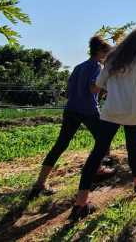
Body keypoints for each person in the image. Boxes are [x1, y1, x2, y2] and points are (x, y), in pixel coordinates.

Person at [71, 28, 136, 220]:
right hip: (133, 112)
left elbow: (100, 83)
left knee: (97, 154)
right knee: (133, 148)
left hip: (111, 110)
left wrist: (117, 86)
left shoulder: (113, 57)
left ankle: (80, 204)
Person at [29, 36, 113, 199]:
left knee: (60, 145)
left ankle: (40, 183)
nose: (107, 56)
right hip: (88, 110)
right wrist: (105, 85)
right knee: (104, 140)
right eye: (106, 52)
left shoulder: (78, 67)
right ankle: (97, 170)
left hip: (71, 109)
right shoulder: (97, 67)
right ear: (100, 51)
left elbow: (69, 91)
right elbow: (93, 89)